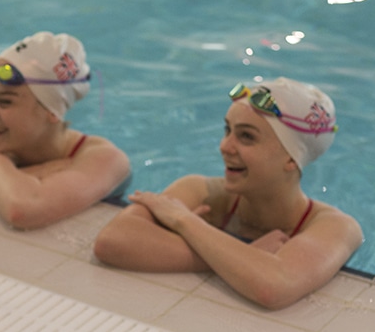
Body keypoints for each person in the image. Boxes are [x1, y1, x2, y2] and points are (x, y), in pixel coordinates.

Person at [93, 77, 361, 309]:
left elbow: (273, 288)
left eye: (246, 137)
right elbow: (112, 241)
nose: (225, 146)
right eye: (227, 130)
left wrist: (185, 222)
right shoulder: (201, 190)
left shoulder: (335, 227)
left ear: (291, 159)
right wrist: (242, 257)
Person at [0, 31, 131, 229]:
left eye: (5, 102)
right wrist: (33, 173)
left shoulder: (105, 159)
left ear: (52, 111)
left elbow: (22, 209)